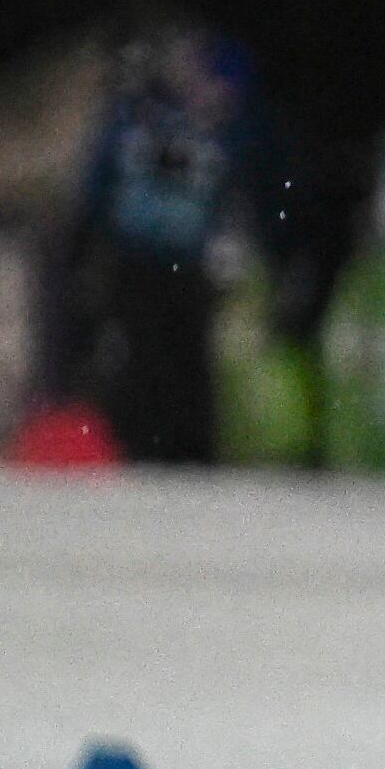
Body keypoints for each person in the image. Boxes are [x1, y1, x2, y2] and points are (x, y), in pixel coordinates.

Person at [63, 28, 246, 464]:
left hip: (186, 255)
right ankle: (144, 440)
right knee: (142, 350)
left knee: (188, 353)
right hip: (138, 254)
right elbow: (100, 186)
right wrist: (86, 245)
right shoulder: (134, 118)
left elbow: (229, 188)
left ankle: (190, 443)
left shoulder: (214, 122)